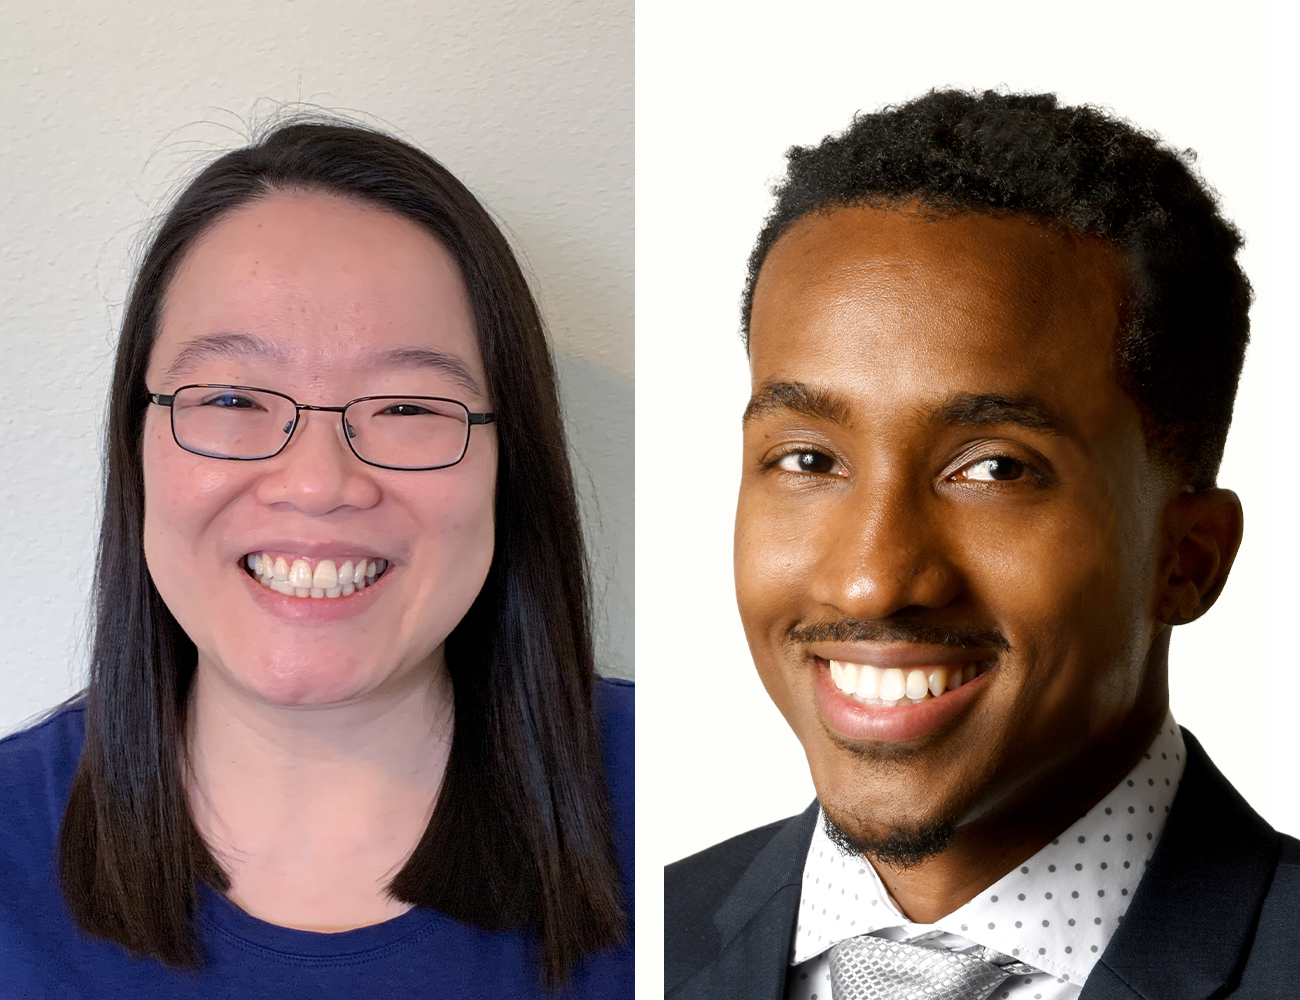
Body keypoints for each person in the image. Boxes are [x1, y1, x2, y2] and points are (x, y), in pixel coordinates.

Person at [665, 90, 1297, 999]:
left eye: (996, 469)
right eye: (809, 457)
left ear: (1186, 559)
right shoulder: (653, 933)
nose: (873, 580)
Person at [0, 120, 632, 997]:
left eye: (408, 407)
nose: (315, 483)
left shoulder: (694, 824)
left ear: (509, 461)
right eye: (230, 397)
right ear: (135, 443)